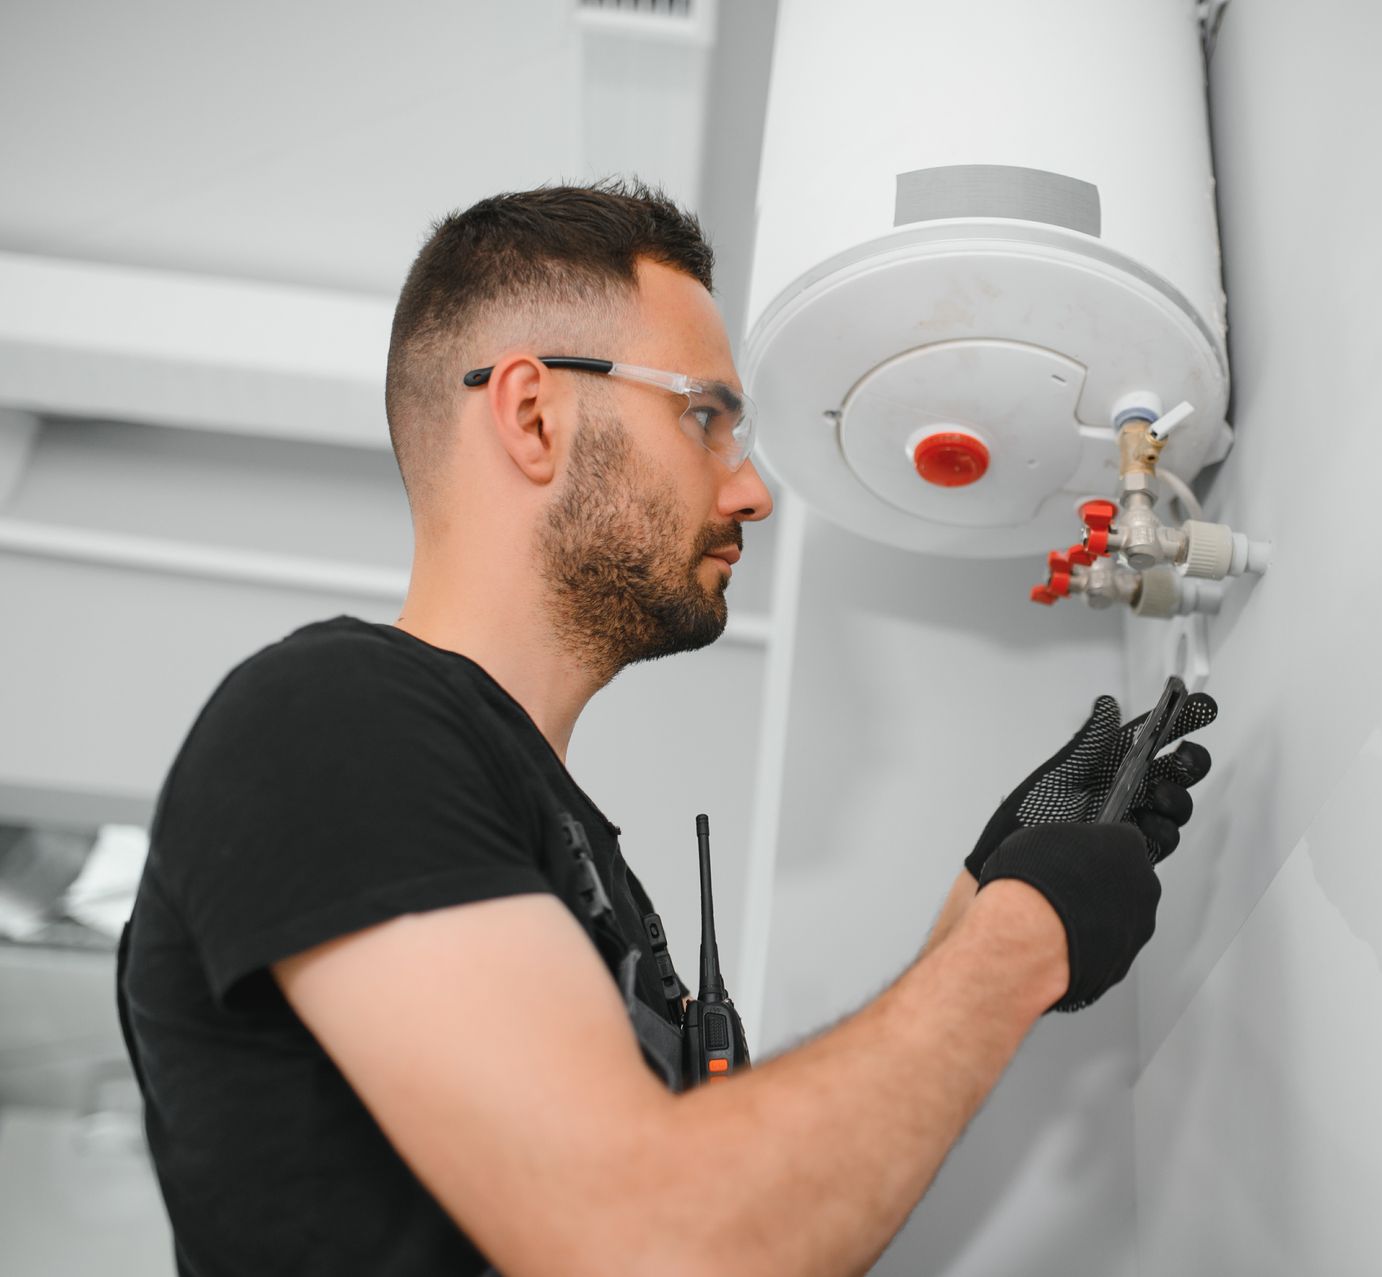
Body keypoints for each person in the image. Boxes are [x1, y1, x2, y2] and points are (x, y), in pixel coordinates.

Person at [114, 179, 1217, 1277]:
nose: (752, 491)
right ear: (534, 414)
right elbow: (656, 1238)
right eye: (704, 416)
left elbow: (734, 1209)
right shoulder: (326, 721)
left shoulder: (549, 840)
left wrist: (985, 896)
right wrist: (1016, 942)